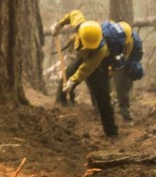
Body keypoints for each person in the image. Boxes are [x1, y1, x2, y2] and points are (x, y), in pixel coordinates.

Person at [50, 9, 119, 138]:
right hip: (83, 59)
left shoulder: (101, 50)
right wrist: (59, 25)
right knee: (64, 82)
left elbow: (87, 68)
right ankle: (61, 114)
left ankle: (111, 133)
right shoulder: (81, 26)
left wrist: (73, 81)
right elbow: (73, 14)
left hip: (99, 67)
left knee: (103, 99)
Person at [113, 21, 144, 124]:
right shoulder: (125, 37)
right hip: (124, 66)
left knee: (122, 91)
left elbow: (135, 56)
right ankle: (118, 106)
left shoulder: (133, 41)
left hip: (126, 67)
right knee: (121, 91)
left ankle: (127, 117)